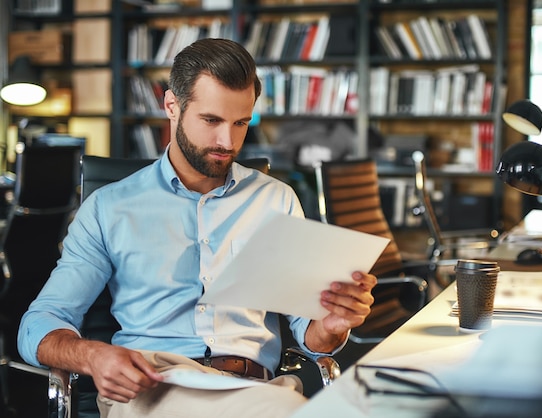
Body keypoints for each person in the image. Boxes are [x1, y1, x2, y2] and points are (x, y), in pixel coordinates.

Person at [17, 38, 377, 418]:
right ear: (172, 106)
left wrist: (333, 326)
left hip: (253, 388)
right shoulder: (109, 209)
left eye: (241, 123)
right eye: (212, 120)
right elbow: (37, 325)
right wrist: (92, 355)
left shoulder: (277, 200)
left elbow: (311, 335)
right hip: (153, 386)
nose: (228, 141)